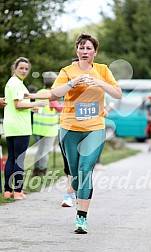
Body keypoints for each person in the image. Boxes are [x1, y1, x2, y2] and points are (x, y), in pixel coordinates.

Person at [28, 33, 122, 234]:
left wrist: (99, 83)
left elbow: (117, 93)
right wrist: (73, 82)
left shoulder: (102, 70)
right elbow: (54, 94)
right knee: (75, 173)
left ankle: (81, 218)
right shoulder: (67, 71)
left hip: (94, 128)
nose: (84, 51)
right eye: (81, 47)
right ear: (76, 50)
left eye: (88, 48)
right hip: (69, 128)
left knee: (85, 169)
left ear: (95, 52)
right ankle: (76, 195)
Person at [3, 57, 47, 200]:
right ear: (14, 68)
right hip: (20, 127)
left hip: (11, 125)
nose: (24, 71)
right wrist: (38, 104)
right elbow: (18, 104)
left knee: (11, 158)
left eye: (26, 69)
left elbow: (18, 105)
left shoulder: (14, 83)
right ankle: (18, 191)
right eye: (21, 68)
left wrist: (31, 108)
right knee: (19, 159)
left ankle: (7, 191)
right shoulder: (16, 83)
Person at [32, 71, 63, 176]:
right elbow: (58, 108)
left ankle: (36, 169)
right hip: (49, 128)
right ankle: (42, 169)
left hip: (38, 127)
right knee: (46, 151)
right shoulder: (51, 94)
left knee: (39, 150)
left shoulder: (39, 92)